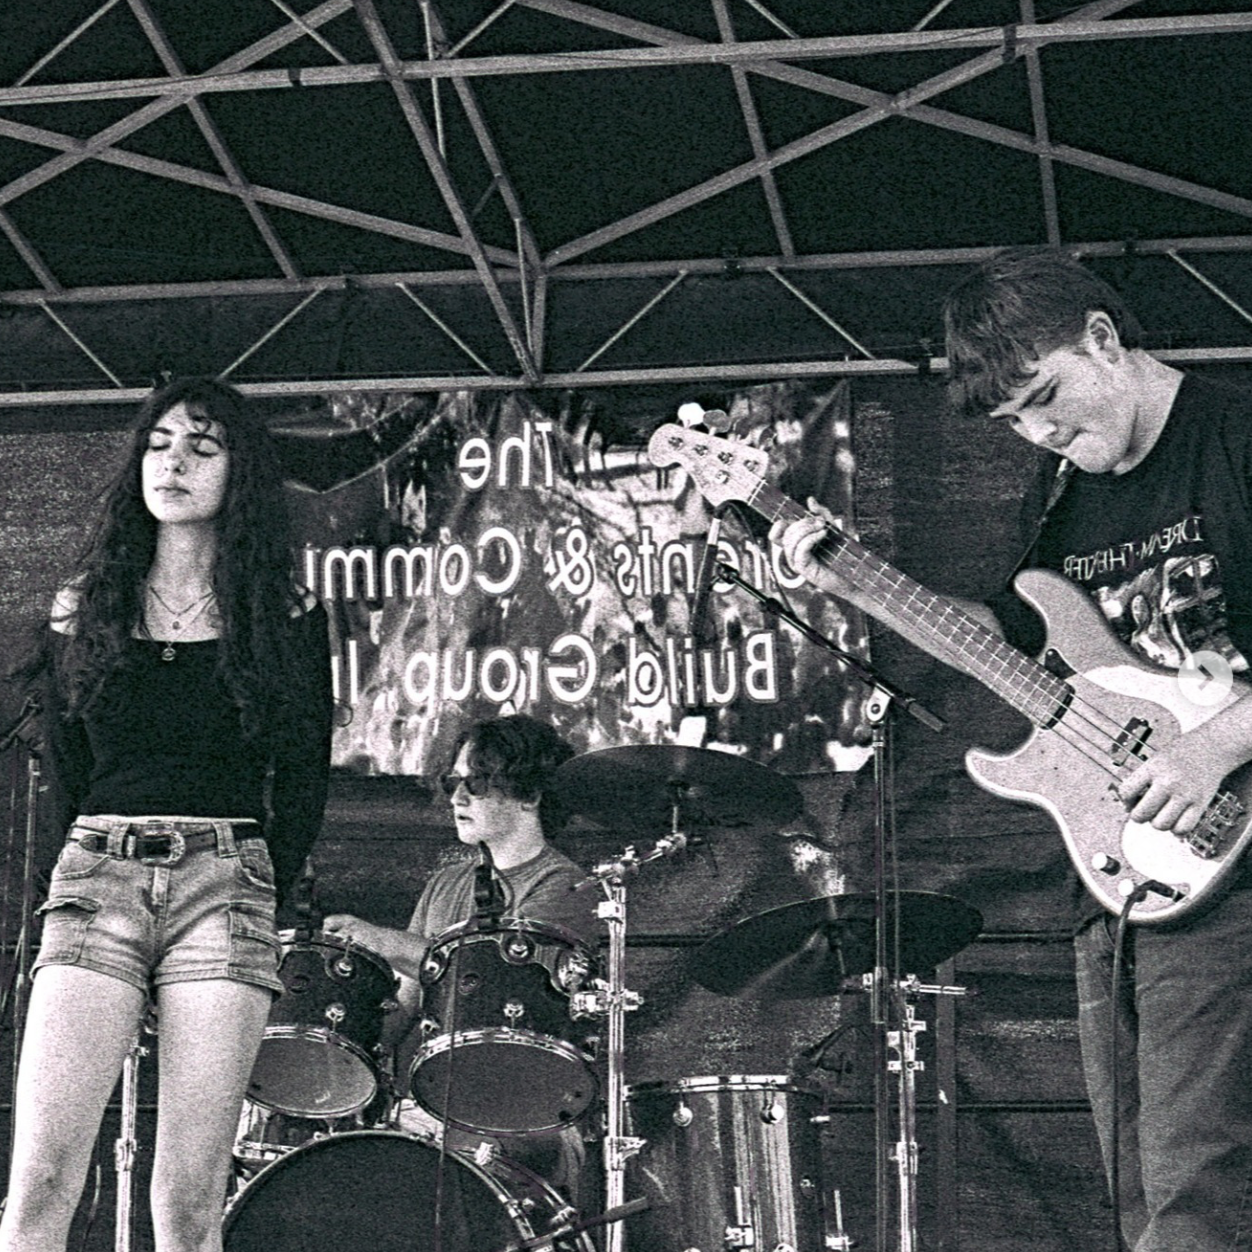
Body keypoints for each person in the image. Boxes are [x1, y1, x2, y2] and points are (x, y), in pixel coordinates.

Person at [772, 246, 1252, 1252]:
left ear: (1104, 338)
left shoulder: (1234, 436)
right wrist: (849, 579)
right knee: (1137, 1188)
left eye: (1047, 399)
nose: (1044, 434)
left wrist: (1211, 750)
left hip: (1232, 856)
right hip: (1119, 879)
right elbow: (1000, 640)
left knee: (1193, 1185)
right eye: (1017, 423)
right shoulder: (1065, 499)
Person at [0, 377, 334, 1252]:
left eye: (202, 447)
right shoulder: (87, 604)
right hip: (98, 872)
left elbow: (302, 772)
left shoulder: (284, 614)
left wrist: (266, 885)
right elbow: (67, 767)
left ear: (239, 475)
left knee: (187, 1198)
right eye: (158, 444)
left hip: (226, 881)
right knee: (38, 1180)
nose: (174, 463)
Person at [322, 713, 601, 1205]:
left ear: (529, 795)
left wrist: (382, 941)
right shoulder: (446, 884)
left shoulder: (564, 887)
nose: (456, 798)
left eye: (475, 783)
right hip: (431, 1104)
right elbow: (408, 1000)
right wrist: (347, 1072)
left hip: (525, 1111)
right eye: (453, 782)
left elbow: (490, 980)